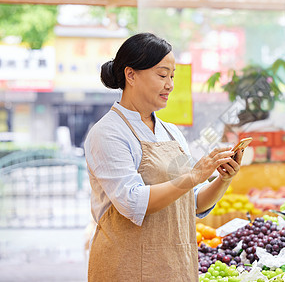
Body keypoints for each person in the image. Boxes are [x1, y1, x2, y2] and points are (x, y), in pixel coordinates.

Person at [84, 32, 243, 281]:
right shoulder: (108, 133)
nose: (169, 84)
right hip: (125, 269)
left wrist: (223, 178)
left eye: (172, 76)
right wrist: (192, 176)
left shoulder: (171, 132)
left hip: (174, 267)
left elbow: (193, 203)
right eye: (161, 75)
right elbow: (133, 202)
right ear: (131, 75)